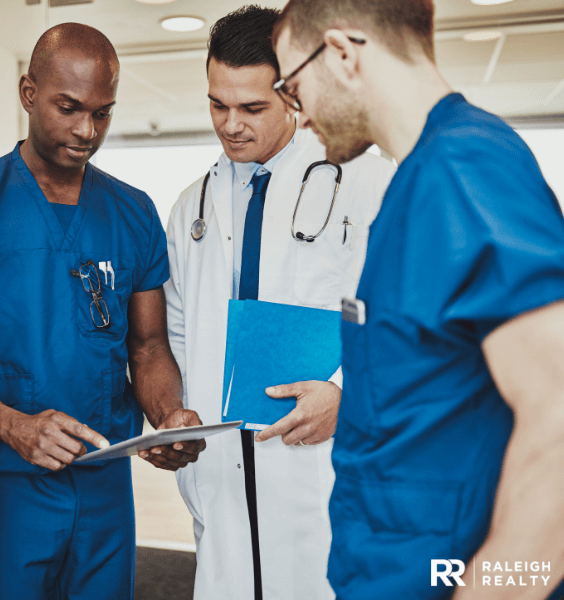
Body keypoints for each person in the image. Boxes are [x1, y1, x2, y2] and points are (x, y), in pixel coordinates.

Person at [271, 1, 564, 599]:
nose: (297, 117)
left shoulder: (463, 169)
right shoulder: (419, 181)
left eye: (293, 87)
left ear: (344, 53)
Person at [0, 23, 205, 600]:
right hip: (5, 482)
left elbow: (147, 347)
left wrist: (169, 416)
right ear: (28, 94)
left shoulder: (133, 211)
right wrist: (12, 426)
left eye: (103, 113)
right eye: (69, 108)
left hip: (105, 484)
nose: (86, 130)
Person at [163, 6, 395, 600]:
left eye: (252, 107)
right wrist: (178, 415)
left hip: (322, 468)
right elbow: (182, 332)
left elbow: (401, 322)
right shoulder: (192, 206)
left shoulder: (362, 182)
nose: (230, 124)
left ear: (292, 94)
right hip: (222, 472)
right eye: (218, 104)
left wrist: (347, 394)